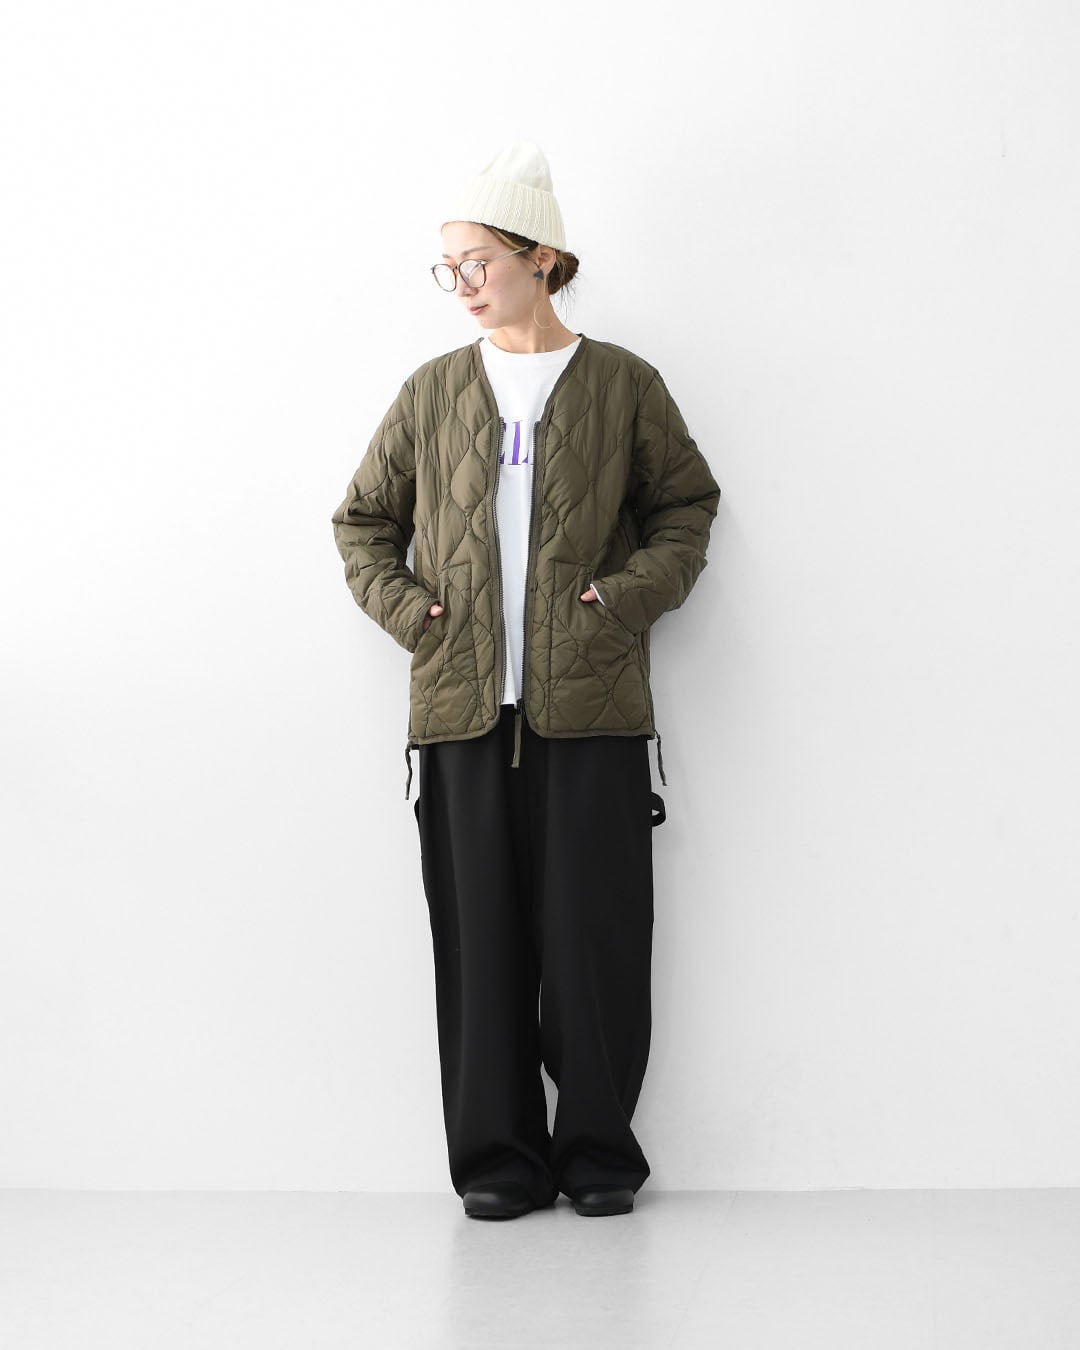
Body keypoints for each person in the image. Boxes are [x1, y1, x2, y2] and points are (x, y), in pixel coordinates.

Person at [331, 141, 720, 1220]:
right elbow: (361, 524)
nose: (462, 285)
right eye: (448, 268)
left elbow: (686, 507)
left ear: (540, 257)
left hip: (591, 709)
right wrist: (414, 615)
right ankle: (499, 1161)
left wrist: (620, 600)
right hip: (461, 713)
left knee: (595, 947)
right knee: (480, 950)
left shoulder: (624, 383)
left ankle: (596, 1155)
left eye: (479, 263)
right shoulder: (432, 392)